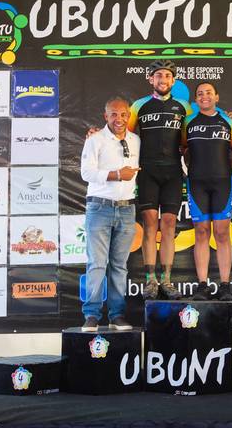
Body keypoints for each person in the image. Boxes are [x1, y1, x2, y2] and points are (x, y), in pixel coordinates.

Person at [128, 59, 191, 300]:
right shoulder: (139, 105)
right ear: (150, 79)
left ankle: (166, 280)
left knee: (169, 225)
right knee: (150, 224)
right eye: (158, 75)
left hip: (173, 172)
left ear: (173, 81)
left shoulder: (184, 107)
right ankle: (150, 280)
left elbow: (188, 139)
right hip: (148, 172)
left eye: (166, 76)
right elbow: (125, 136)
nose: (162, 80)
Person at [79, 96, 141, 332]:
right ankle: (91, 315)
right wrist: (116, 174)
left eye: (123, 114)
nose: (119, 119)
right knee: (97, 264)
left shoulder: (136, 140)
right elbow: (86, 173)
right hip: (100, 208)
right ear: (106, 116)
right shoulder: (95, 139)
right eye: (113, 114)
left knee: (119, 266)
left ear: (129, 116)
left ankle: (117, 316)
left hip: (127, 208)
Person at [182, 82, 232, 301]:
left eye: (209, 93)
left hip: (223, 182)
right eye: (200, 94)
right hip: (197, 183)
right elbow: (182, 150)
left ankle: (225, 285)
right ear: (196, 99)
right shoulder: (188, 122)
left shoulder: (229, 121)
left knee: (221, 233)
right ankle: (202, 285)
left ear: (217, 97)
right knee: (201, 232)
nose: (204, 96)